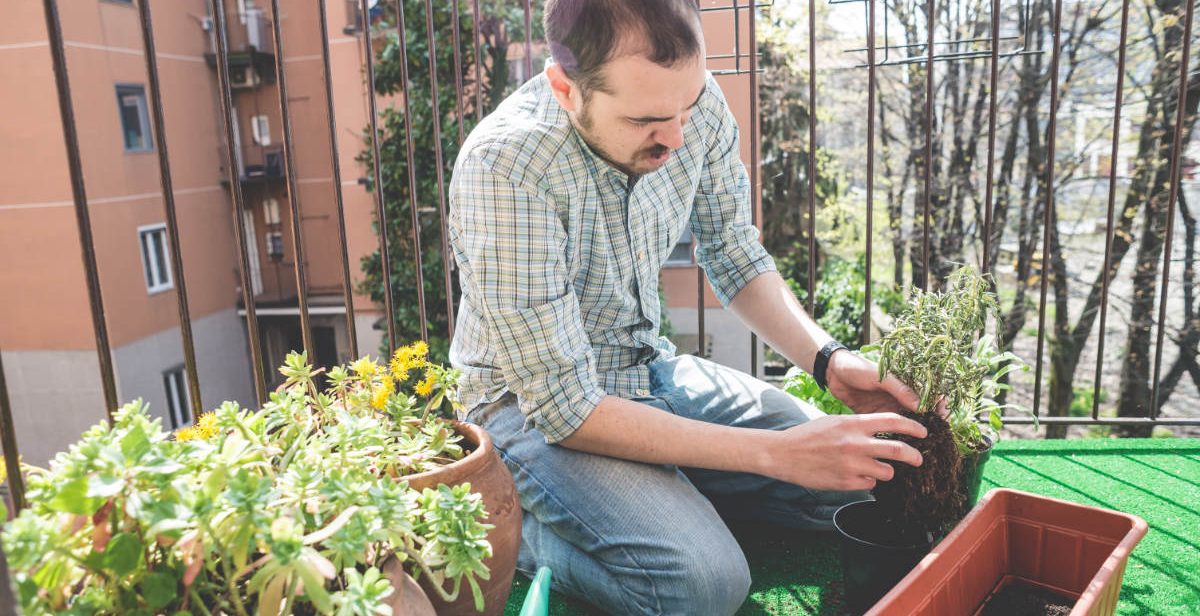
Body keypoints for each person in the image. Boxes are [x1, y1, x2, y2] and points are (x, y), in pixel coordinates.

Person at [447, 1, 927, 613]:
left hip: (652, 371)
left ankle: (673, 495)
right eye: (647, 119)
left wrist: (829, 362)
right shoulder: (505, 166)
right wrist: (777, 454)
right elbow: (565, 408)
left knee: (866, 486)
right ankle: (517, 529)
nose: (676, 135)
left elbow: (736, 255)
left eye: (688, 106)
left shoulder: (690, 103)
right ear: (566, 89)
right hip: (529, 411)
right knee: (704, 585)